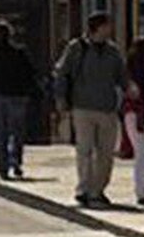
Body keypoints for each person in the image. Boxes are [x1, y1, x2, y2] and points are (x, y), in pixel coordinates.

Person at [55, 12, 130, 208]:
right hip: (83, 107)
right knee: (85, 150)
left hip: (107, 108)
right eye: (107, 26)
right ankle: (85, 189)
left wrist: (129, 87)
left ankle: (98, 189)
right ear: (98, 27)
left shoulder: (112, 51)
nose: (110, 29)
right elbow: (62, 73)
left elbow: (121, 76)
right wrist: (61, 99)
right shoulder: (76, 48)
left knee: (106, 153)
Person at [0, 20, 36, 181]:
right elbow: (30, 74)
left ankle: (2, 167)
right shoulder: (20, 53)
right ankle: (15, 159)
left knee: (0, 132)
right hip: (18, 95)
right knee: (17, 131)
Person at [121, 38, 144, 206]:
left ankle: (142, 190)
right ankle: (142, 190)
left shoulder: (128, 76)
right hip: (138, 114)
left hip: (133, 114)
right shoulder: (133, 81)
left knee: (141, 154)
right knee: (142, 153)